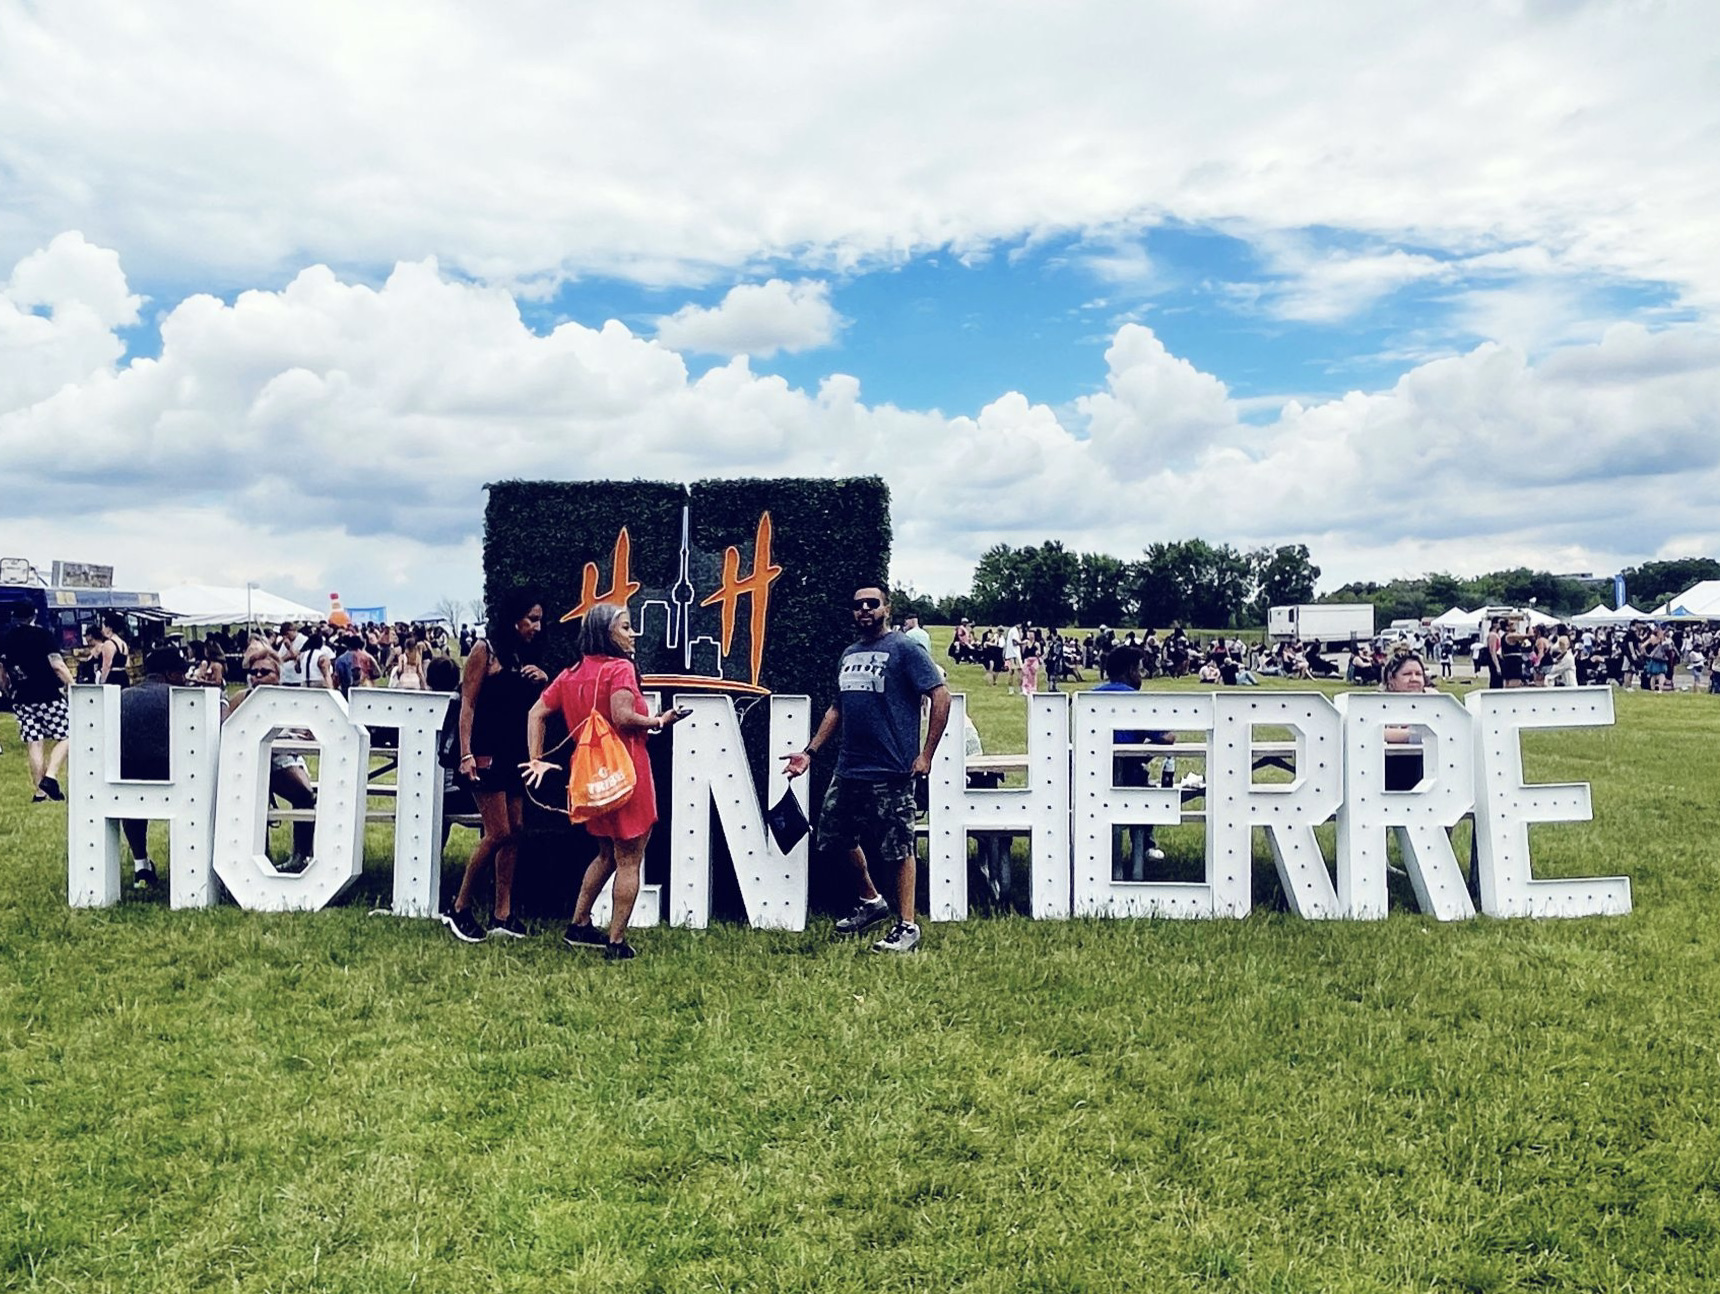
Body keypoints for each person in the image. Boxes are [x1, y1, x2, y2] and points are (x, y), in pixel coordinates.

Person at [782, 585, 950, 954]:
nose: (864, 610)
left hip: (892, 769)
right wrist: (810, 752)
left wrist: (927, 754)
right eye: (858, 605)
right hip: (850, 769)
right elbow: (837, 709)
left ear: (887, 608)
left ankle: (907, 926)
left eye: (872, 604)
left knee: (898, 847)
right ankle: (871, 900)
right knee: (834, 836)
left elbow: (941, 695)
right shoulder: (850, 653)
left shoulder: (906, 649)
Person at [524, 603, 690, 960]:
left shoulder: (571, 673)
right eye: (626, 627)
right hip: (627, 773)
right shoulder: (621, 669)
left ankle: (579, 924)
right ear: (607, 633)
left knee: (604, 853)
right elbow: (623, 716)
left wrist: (536, 758)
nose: (632, 634)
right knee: (629, 858)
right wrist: (661, 721)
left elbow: (536, 712)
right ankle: (616, 942)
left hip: (591, 777)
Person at [444, 591, 548, 942]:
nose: (537, 625)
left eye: (539, 619)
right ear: (513, 618)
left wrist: (541, 681)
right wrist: (466, 753)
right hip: (486, 753)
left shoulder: (523, 655)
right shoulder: (483, 650)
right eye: (532, 618)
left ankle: (502, 913)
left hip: (513, 752)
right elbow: (467, 705)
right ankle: (459, 907)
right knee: (498, 831)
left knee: (515, 829)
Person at [1091, 645, 1174, 879]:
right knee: (1143, 785)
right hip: (1126, 779)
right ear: (1129, 671)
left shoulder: (1088, 697)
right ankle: (1145, 846)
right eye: (1140, 670)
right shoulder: (1135, 701)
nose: (1142, 676)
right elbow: (1168, 738)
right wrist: (1146, 748)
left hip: (1086, 782)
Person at [228, 652, 317, 869]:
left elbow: (309, 729)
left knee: (305, 796)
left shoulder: (289, 699)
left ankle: (301, 855)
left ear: (277, 675)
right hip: (247, 762)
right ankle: (257, 857)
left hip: (284, 756)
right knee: (255, 800)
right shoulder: (241, 698)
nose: (257, 676)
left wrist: (307, 733)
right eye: (253, 672)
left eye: (264, 672)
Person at [118, 646, 192, 889]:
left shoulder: (123, 696)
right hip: (177, 778)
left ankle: (141, 864)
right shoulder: (183, 699)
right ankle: (192, 864)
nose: (185, 678)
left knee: (130, 798)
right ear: (171, 674)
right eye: (183, 673)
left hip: (125, 780)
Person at [0, 604, 74, 802]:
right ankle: (50, 777)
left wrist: (7, 690)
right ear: (33, 615)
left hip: (22, 697)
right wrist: (73, 685)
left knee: (35, 742)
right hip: (48, 694)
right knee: (69, 734)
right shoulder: (43, 636)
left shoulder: (6, 638)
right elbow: (57, 665)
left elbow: (2, 672)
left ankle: (40, 792)